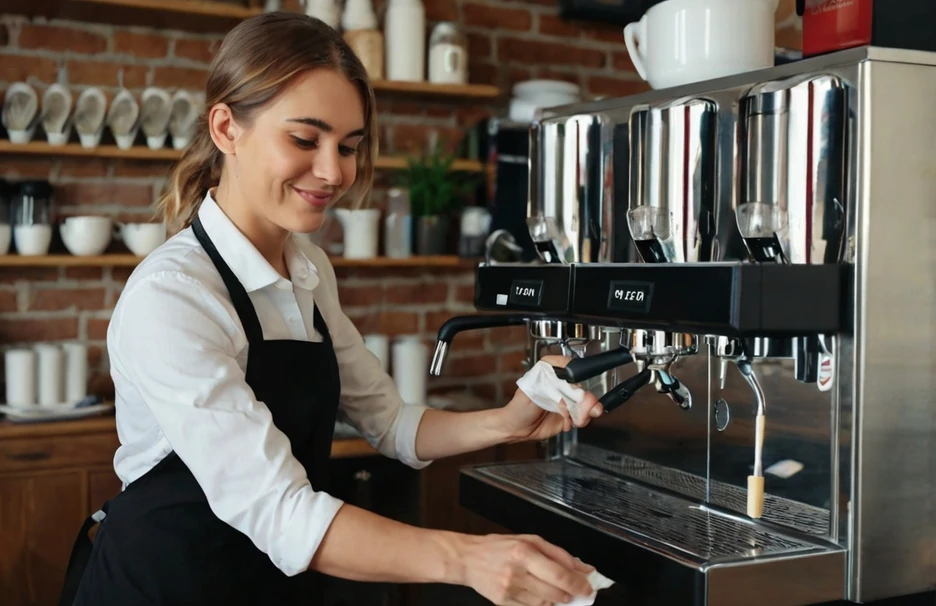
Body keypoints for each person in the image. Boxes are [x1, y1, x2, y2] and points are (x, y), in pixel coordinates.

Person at [58, 11, 605, 606]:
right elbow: (280, 509)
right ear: (225, 128)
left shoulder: (309, 270)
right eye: (304, 139)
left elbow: (391, 424)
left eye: (348, 146)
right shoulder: (174, 295)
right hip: (158, 588)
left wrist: (505, 420)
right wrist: (467, 558)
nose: (334, 172)